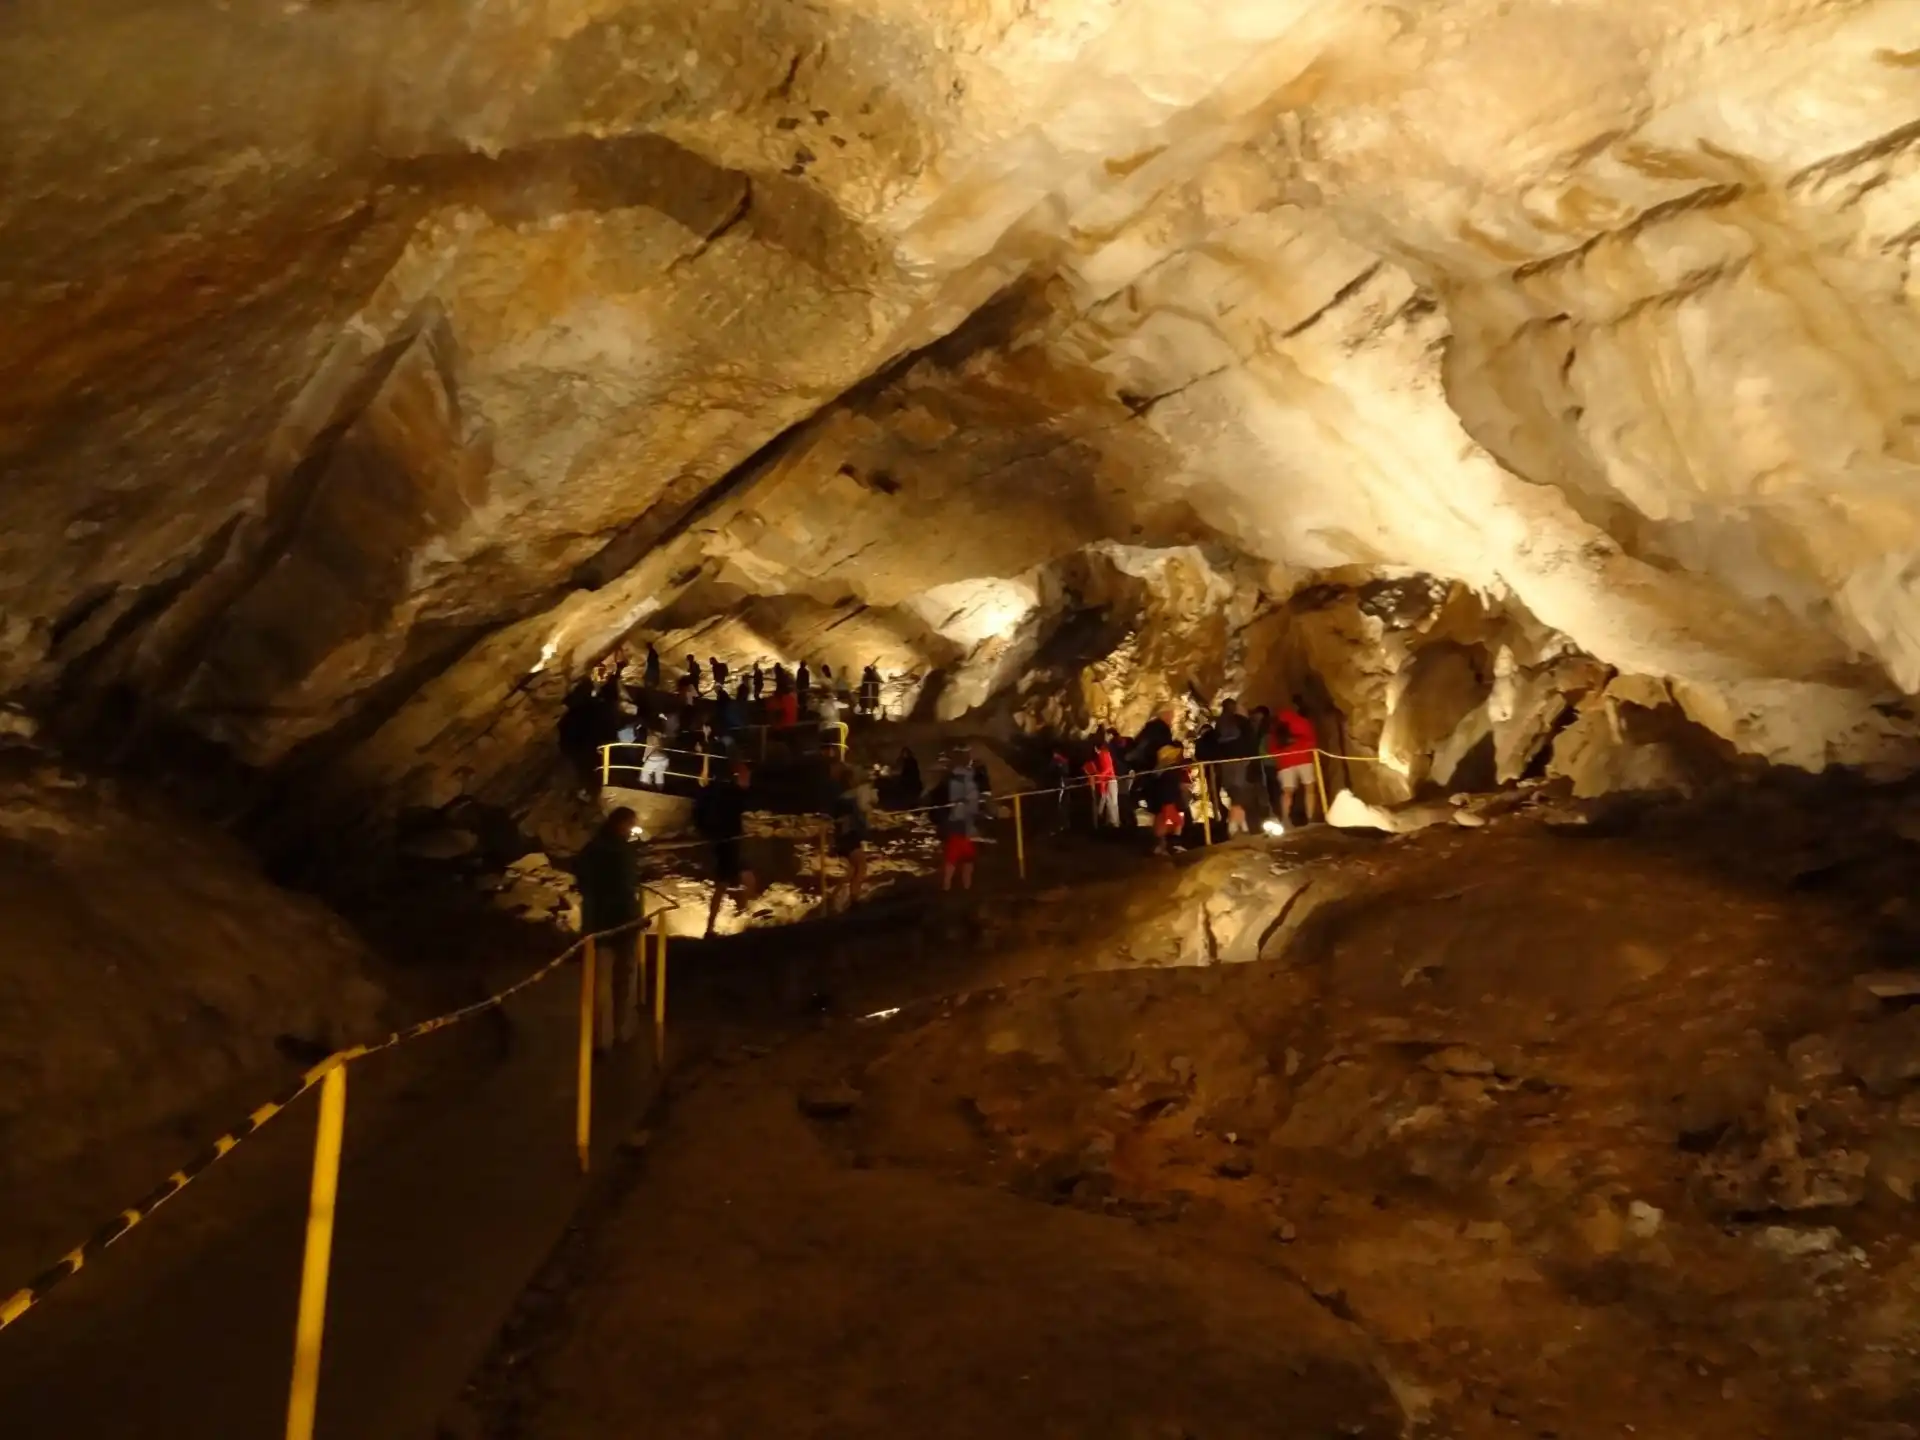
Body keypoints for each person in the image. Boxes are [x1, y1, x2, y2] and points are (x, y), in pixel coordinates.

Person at [573, 808, 645, 1049]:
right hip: (620, 923)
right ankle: (618, 1032)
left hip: (598, 924)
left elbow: (584, 884)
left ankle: (600, 1039)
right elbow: (625, 889)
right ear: (621, 824)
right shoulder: (621, 852)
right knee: (621, 980)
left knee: (601, 984)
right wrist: (636, 918)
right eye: (630, 825)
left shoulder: (591, 849)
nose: (631, 830)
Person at [694, 761, 760, 937]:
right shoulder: (734, 794)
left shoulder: (716, 791)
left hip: (723, 840)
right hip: (730, 842)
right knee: (726, 882)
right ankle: (715, 926)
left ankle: (741, 914)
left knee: (742, 876)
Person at [828, 760, 872, 909]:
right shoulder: (848, 798)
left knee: (852, 869)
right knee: (861, 866)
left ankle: (835, 896)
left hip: (845, 836)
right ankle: (855, 899)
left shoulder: (841, 796)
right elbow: (847, 817)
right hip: (848, 836)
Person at [1271, 697, 1321, 826]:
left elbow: (1272, 747)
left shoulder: (1276, 725)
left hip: (1285, 761)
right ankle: (1311, 818)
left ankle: (1285, 819)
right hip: (1303, 757)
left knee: (1287, 791)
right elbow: (1311, 741)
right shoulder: (1302, 721)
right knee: (1309, 788)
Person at [939, 750, 983, 892]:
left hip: (961, 824)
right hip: (959, 824)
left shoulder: (957, 781)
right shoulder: (958, 783)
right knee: (959, 855)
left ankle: (958, 884)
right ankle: (954, 884)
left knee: (964, 856)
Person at [1083, 736, 1120, 830]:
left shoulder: (1104, 754)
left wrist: (1099, 776)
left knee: (1112, 803)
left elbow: (1107, 768)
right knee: (1109, 802)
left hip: (1110, 780)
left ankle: (1114, 823)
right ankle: (1110, 822)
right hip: (1107, 780)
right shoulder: (1102, 756)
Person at [893, 746, 923, 810]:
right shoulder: (904, 761)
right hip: (909, 783)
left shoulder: (911, 762)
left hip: (911, 782)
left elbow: (913, 772)